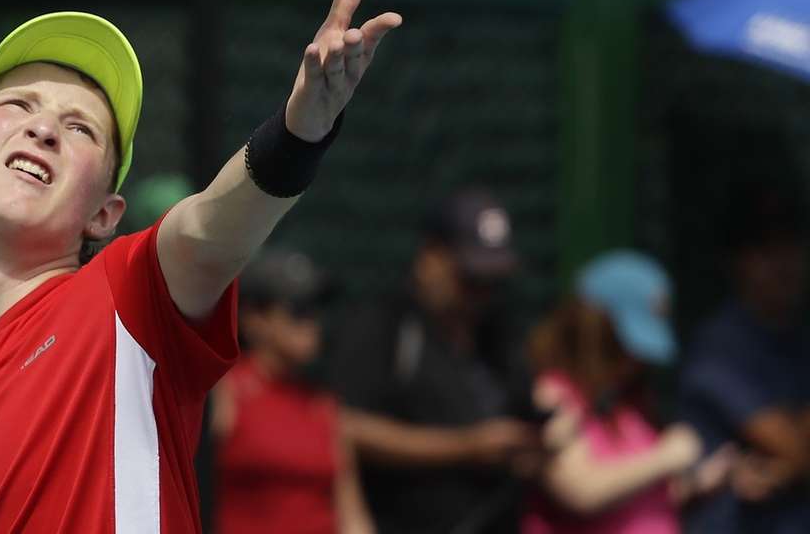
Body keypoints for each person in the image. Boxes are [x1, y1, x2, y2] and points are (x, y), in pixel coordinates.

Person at [0, 0, 400, 532]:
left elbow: (211, 226)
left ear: (104, 214)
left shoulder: (126, 302)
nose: (44, 128)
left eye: (80, 129)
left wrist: (299, 132)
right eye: (19, 103)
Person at [329, 188, 541, 533]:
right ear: (430, 258)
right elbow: (344, 426)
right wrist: (466, 446)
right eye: (470, 279)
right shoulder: (386, 326)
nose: (482, 293)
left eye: (493, 280)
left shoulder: (500, 336)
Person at [523, 250, 730, 534]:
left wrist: (700, 484)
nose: (636, 361)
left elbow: (638, 504)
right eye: (625, 345)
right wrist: (666, 456)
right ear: (596, 330)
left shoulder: (625, 403)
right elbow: (581, 491)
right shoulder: (554, 394)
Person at [211, 249, 374, 534]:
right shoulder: (226, 390)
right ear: (255, 318)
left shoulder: (323, 404)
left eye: (317, 309)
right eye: (299, 309)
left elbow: (351, 515)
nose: (313, 323)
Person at [681, 182, 810, 533]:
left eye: (791, 244)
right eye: (764, 249)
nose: (783, 262)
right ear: (735, 261)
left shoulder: (799, 336)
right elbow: (797, 452)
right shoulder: (720, 346)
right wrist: (792, 461)